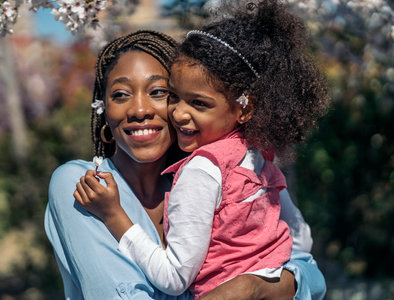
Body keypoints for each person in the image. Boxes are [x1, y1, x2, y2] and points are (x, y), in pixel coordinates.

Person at [46, 29, 326, 299]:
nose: (139, 110)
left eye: (159, 92)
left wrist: (252, 288)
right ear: (103, 108)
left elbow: (311, 275)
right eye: (120, 94)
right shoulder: (86, 186)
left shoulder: (214, 180)